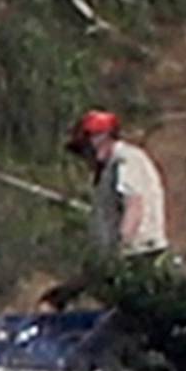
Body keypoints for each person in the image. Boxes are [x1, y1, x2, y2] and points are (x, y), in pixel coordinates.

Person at [68, 109, 169, 262]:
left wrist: (119, 252)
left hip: (138, 255)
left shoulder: (125, 160)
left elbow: (134, 205)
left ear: (99, 140)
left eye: (84, 148)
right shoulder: (110, 167)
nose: (84, 156)